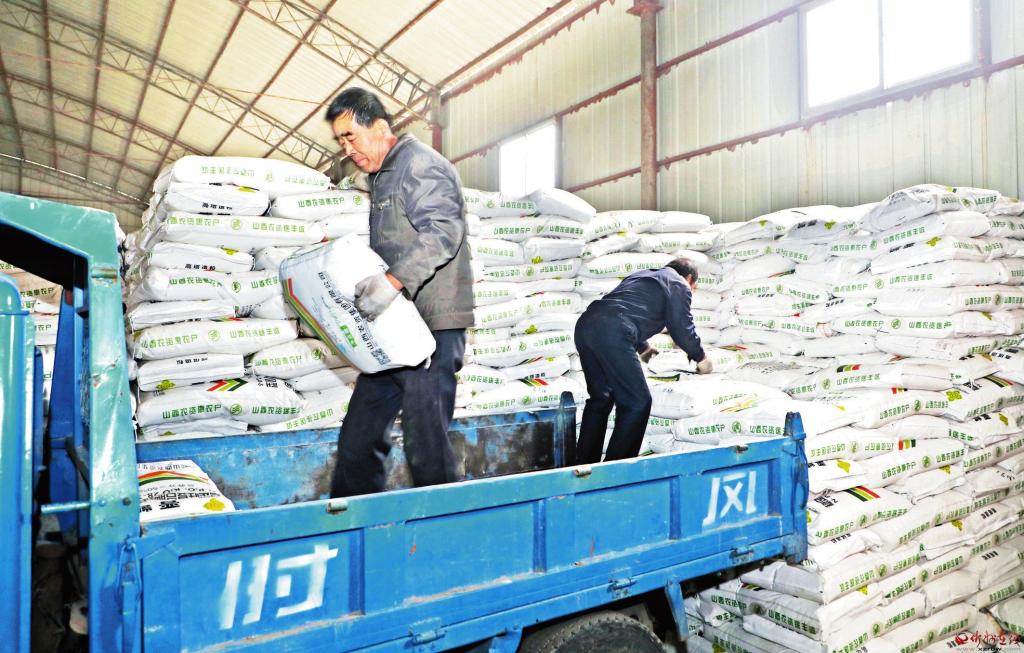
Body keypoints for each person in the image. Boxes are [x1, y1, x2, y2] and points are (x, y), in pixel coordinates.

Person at [325, 88, 474, 497]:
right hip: (396, 327)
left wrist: (390, 283)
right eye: (340, 141)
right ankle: (355, 520)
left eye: (350, 136)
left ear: (379, 127)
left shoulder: (419, 165)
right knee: (358, 437)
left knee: (426, 444)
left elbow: (443, 232)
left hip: (432, 326)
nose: (346, 149)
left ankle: (443, 523)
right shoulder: (384, 176)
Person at [573, 257, 712, 464]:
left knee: (601, 398)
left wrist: (643, 347)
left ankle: (583, 466)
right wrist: (700, 357)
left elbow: (623, 308)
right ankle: (617, 470)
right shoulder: (678, 283)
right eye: (694, 287)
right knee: (637, 402)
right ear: (690, 278)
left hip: (586, 326)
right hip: (613, 331)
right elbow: (681, 326)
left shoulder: (641, 276)